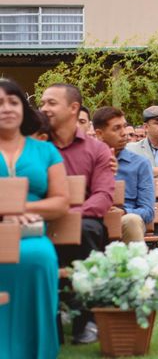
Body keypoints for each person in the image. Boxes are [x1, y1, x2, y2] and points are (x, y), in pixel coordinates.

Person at [40, 83, 114, 344]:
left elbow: (104, 195)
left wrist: (71, 214)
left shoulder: (97, 150)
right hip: (38, 221)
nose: (44, 108)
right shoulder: (35, 145)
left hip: (83, 222)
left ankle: (87, 320)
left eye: (51, 103)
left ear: (73, 108)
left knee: (88, 230)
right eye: (43, 103)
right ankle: (49, 323)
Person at [0, 79, 69, 359]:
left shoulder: (46, 151)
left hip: (32, 234)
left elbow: (61, 200)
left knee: (39, 257)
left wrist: (25, 209)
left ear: (23, 109)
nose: (6, 108)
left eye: (13, 102)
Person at [93, 107, 155, 243]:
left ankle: (135, 264)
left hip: (126, 222)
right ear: (99, 134)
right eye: (116, 128)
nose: (124, 133)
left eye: (125, 126)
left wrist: (124, 212)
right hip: (93, 219)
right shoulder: (87, 161)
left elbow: (148, 211)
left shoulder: (140, 164)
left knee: (131, 220)